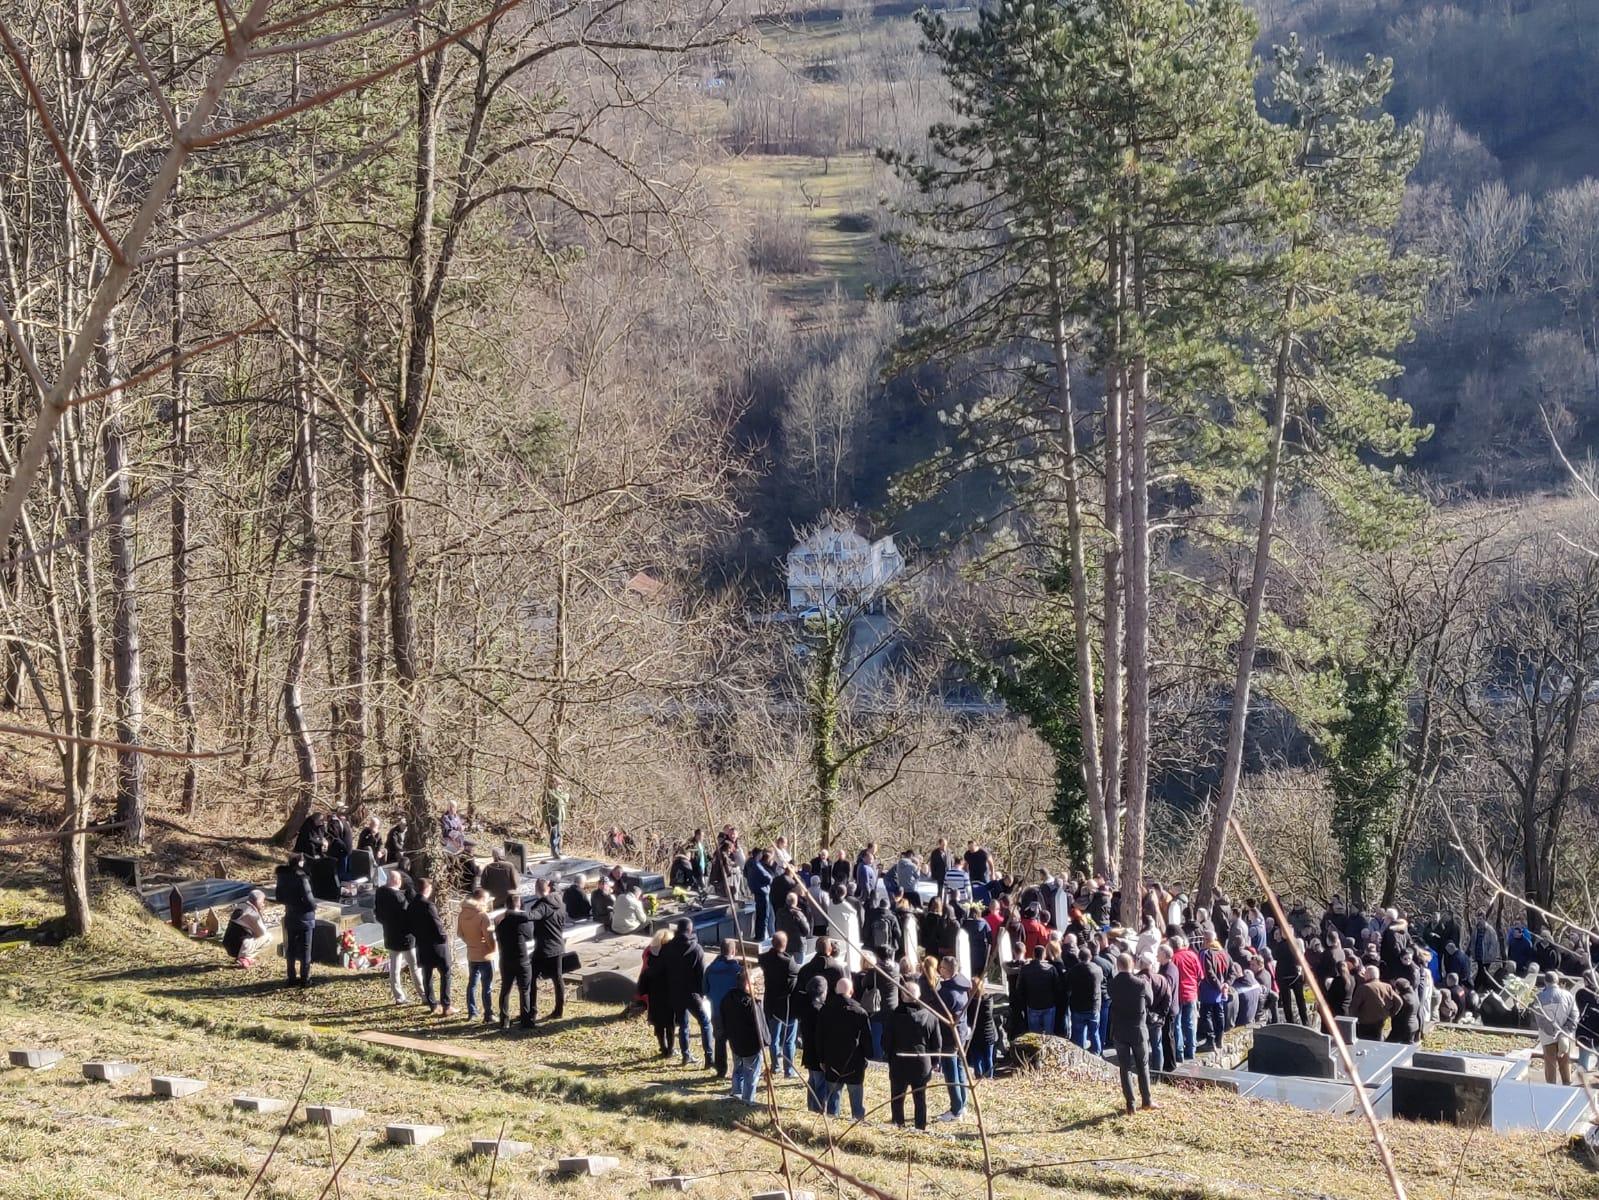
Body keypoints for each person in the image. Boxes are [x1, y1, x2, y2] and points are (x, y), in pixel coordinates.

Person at [883, 978, 939, 1129]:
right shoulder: (930, 1016)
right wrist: (934, 1062)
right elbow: (936, 1043)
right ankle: (920, 1127)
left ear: (902, 996)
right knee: (920, 1098)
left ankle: (898, 1125)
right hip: (922, 1063)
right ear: (918, 995)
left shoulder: (894, 1016)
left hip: (899, 1062)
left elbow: (886, 1041)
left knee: (897, 1098)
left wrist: (888, 1057)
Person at [1108, 952, 1157, 1114]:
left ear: (1117, 966)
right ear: (1133, 965)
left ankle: (1130, 1105)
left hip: (1120, 1030)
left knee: (1125, 1068)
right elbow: (1150, 1000)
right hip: (1138, 1030)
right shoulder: (1141, 984)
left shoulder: (1112, 984)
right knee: (1143, 1066)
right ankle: (1147, 1100)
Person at [819, 977, 872, 1120]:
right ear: (852, 991)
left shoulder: (825, 1010)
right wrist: (867, 1056)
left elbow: (820, 1037)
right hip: (854, 1062)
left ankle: (831, 1125)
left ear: (836, 990)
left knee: (833, 1100)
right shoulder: (860, 1012)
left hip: (832, 1061)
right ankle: (858, 1122)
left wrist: (821, 1058)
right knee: (856, 1101)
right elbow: (866, 1039)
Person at [662, 917, 712, 1066]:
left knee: (683, 1025)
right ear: (690, 930)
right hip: (692, 993)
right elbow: (701, 973)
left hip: (675, 991)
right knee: (705, 1023)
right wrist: (702, 993)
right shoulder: (696, 949)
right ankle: (709, 1057)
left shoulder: (668, 947)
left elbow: (664, 970)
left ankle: (685, 1055)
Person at [722, 967, 769, 1103]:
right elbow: (761, 1027)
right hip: (750, 1046)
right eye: (753, 983)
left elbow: (723, 1019)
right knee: (751, 1074)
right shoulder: (751, 1004)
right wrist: (766, 1042)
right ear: (748, 984)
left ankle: (736, 1093)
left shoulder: (728, 998)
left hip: (735, 1041)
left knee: (738, 1069)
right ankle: (747, 1100)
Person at [374, 871, 423, 1003]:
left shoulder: (380, 893)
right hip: (406, 938)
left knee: (394, 969)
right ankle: (423, 994)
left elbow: (378, 915)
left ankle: (399, 996)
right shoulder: (400, 898)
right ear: (398, 882)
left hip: (390, 934)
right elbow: (409, 917)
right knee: (414, 967)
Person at [932, 956, 971, 1122]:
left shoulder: (947, 993)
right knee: (960, 1068)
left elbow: (937, 1012)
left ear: (947, 970)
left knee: (951, 1072)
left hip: (950, 1036)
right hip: (961, 1033)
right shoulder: (962, 984)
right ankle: (963, 1104)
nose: (939, 970)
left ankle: (956, 1109)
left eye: (941, 968)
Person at [410, 878, 454, 1016]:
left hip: (422, 945)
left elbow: (409, 925)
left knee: (427, 975)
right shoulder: (429, 906)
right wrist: (444, 938)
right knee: (445, 973)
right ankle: (446, 1005)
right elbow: (437, 925)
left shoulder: (412, 905)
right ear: (427, 889)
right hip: (436, 945)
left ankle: (432, 1004)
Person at [760, 932, 802, 1078]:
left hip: (771, 1004)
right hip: (787, 1005)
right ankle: (788, 1070)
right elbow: (798, 973)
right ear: (785, 944)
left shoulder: (764, 958)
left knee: (774, 1038)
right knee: (789, 1040)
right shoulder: (789, 962)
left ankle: (775, 1066)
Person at [275, 854, 318, 987]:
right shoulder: (302, 878)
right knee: (306, 949)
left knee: (291, 948)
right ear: (300, 862)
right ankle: (305, 978)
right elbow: (309, 899)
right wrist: (313, 907)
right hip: (305, 916)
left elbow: (279, 897)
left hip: (291, 914)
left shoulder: (282, 877)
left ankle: (291, 977)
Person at [528, 877, 567, 1023]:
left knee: (530, 978)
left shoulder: (542, 906)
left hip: (543, 948)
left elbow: (531, 916)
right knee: (558, 979)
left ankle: (532, 1011)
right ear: (549, 888)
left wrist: (512, 913)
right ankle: (559, 1010)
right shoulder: (560, 902)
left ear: (537, 890)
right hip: (558, 945)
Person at [494, 898, 535, 1030]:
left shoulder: (500, 921)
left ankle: (504, 1019)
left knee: (505, 989)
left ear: (506, 905)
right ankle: (526, 1019)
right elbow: (529, 936)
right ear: (519, 905)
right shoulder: (521, 922)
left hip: (505, 959)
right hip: (522, 959)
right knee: (524, 990)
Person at [458, 886, 498, 1023]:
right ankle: (488, 1014)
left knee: (472, 984)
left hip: (471, 953)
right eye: (486, 899)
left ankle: (472, 1012)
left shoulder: (463, 913)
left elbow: (459, 933)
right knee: (487, 985)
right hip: (484, 955)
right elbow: (488, 937)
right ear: (481, 899)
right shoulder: (482, 916)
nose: (487, 902)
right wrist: (493, 949)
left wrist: (470, 942)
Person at [705, 939, 744, 1078]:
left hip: (717, 1010)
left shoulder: (710, 969)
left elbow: (705, 989)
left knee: (720, 1041)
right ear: (733, 951)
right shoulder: (738, 971)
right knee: (736, 1042)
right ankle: (738, 1072)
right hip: (734, 1012)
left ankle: (721, 1069)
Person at [1533, 971, 1579, 1084]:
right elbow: (1575, 1015)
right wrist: (1565, 1030)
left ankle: (1551, 1087)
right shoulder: (1568, 995)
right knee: (1565, 1062)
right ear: (1557, 981)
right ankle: (1566, 1085)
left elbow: (1540, 1019)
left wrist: (1552, 1031)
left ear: (1545, 981)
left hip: (1548, 1036)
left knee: (1550, 1065)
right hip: (1565, 1036)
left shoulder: (1539, 997)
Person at [640, 929, 676, 1052]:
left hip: (654, 996)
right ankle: (670, 1049)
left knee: (658, 1023)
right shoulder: (671, 959)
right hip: (669, 996)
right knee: (670, 1024)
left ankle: (662, 1046)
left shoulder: (650, 957)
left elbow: (644, 977)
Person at [1067, 947, 1104, 1054]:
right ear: (1090, 957)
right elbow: (1101, 981)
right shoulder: (1097, 969)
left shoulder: (1073, 970)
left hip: (1078, 1007)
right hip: (1093, 1006)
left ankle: (1080, 1056)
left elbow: (1068, 985)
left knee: (1078, 1034)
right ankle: (1097, 1055)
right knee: (1094, 1033)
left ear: (1079, 957)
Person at [221, 889, 272, 966]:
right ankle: (245, 958)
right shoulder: (252, 914)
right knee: (268, 937)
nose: (263, 904)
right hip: (238, 947)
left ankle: (243, 956)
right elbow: (261, 933)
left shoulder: (241, 906)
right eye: (262, 902)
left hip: (228, 944)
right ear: (257, 901)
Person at [1170, 936, 1201, 1062]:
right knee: (1189, 1023)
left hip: (1178, 995)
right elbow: (1200, 975)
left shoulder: (1173, 959)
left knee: (1177, 1024)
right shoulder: (1192, 955)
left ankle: (1179, 1053)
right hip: (1191, 993)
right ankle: (1191, 1050)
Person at [1350, 965, 1400, 1040]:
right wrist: (1391, 1014)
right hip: (1381, 1021)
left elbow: (1354, 1007)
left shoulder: (1363, 988)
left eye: (1365, 973)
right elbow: (1399, 1002)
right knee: (1378, 1042)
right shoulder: (1387, 986)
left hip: (1364, 1023)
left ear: (1368, 975)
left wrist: (1354, 1020)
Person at [1017, 945, 1058, 1033]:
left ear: (1033, 955)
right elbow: (1057, 987)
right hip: (1048, 1005)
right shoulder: (1051, 969)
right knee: (1049, 1035)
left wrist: (1025, 1001)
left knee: (1035, 1036)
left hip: (1033, 1005)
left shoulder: (1025, 969)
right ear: (1044, 955)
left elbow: (1019, 988)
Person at [967, 977, 999, 1078]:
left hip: (975, 1035)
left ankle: (979, 1077)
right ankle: (989, 1078)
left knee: (977, 1059)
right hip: (988, 1034)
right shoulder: (988, 1000)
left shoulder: (971, 1004)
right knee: (988, 1058)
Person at [1387, 977, 1423, 1044]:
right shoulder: (1415, 996)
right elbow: (1420, 1014)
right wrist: (1420, 1030)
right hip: (1414, 1025)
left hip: (1402, 1027)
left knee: (1388, 1045)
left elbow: (1394, 1011)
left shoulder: (1403, 998)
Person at [543, 786, 568, 859]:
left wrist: (562, 793)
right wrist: (562, 795)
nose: (560, 786)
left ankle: (558, 850)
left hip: (559, 817)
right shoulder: (549, 792)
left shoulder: (558, 792)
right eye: (559, 784)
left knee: (559, 834)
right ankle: (555, 852)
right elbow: (558, 799)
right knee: (554, 835)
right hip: (552, 817)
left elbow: (566, 798)